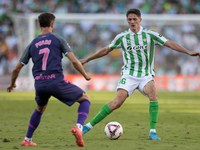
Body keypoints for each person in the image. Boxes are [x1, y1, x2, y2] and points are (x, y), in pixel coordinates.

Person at [80, 8, 200, 140]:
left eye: (134, 19)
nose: (132, 21)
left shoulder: (150, 34)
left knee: (153, 94)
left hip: (146, 76)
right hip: (129, 76)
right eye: (130, 19)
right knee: (116, 103)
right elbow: (105, 50)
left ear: (140, 20)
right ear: (127, 21)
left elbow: (169, 43)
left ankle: (152, 132)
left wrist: (188, 52)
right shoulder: (122, 37)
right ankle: (87, 126)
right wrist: (87, 59)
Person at [7, 12, 91, 147]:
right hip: (56, 82)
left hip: (40, 84)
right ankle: (79, 127)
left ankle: (27, 139)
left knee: (40, 108)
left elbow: (16, 69)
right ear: (52, 24)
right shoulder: (58, 39)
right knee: (85, 99)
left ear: (39, 25)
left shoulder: (32, 44)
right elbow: (74, 61)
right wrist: (85, 75)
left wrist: (12, 84)